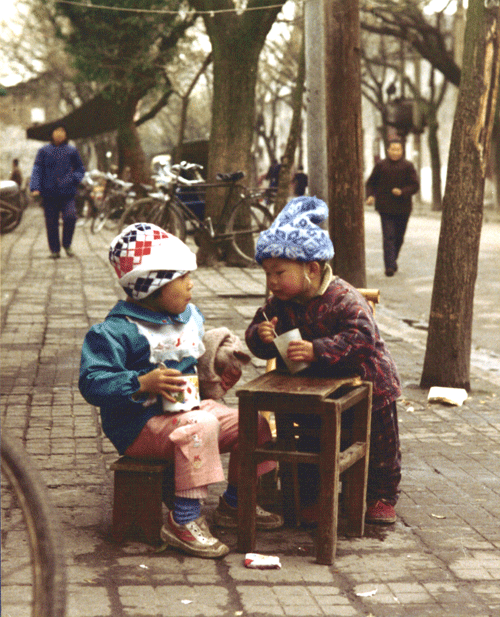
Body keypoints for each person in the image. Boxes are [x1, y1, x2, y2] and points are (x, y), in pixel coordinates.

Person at [79, 223, 282, 559]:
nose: (191, 284)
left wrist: (221, 357)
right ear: (151, 287)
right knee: (201, 428)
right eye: (181, 278)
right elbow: (92, 381)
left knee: (256, 423)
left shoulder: (187, 316)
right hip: (139, 426)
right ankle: (182, 521)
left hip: (187, 411)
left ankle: (233, 504)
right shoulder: (115, 332)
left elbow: (195, 355)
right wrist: (142, 383)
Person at [245, 196, 402, 525]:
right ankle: (312, 497)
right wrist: (260, 337)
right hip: (314, 386)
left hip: (368, 383)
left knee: (380, 444)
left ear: (311, 269)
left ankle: (380, 495)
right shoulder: (280, 303)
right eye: (267, 273)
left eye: (279, 273)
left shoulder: (343, 298)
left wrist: (317, 349)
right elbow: (260, 337)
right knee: (312, 440)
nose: (272, 282)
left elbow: (363, 338)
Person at [30, 124, 85, 259]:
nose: (59, 134)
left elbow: (80, 169)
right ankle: (55, 250)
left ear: (66, 135)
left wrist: (74, 179)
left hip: (68, 193)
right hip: (49, 193)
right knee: (51, 222)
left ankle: (67, 244)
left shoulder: (72, 151)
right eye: (57, 131)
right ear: (52, 134)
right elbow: (37, 170)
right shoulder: (44, 151)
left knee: (70, 216)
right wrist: (35, 188)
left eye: (62, 131)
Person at [365, 139, 419, 276]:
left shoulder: (408, 166)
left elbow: (415, 185)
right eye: (393, 149)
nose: (395, 152)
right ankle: (389, 266)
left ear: (402, 151)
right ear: (388, 150)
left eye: (398, 149)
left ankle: (392, 259)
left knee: (399, 237)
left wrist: (402, 192)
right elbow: (371, 183)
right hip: (385, 207)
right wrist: (370, 196)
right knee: (388, 236)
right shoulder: (381, 166)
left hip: (403, 208)